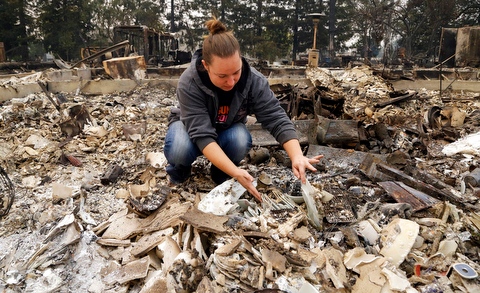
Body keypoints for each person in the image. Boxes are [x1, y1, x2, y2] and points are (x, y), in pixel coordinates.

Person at [164, 17, 322, 201]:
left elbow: (276, 117)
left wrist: (296, 156)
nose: (231, 82)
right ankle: (180, 171)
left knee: (240, 138)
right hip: (189, 129)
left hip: (226, 128)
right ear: (206, 66)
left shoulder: (253, 80)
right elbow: (202, 135)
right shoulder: (189, 82)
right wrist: (236, 172)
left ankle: (220, 173)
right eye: (222, 76)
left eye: (236, 72)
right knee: (179, 147)